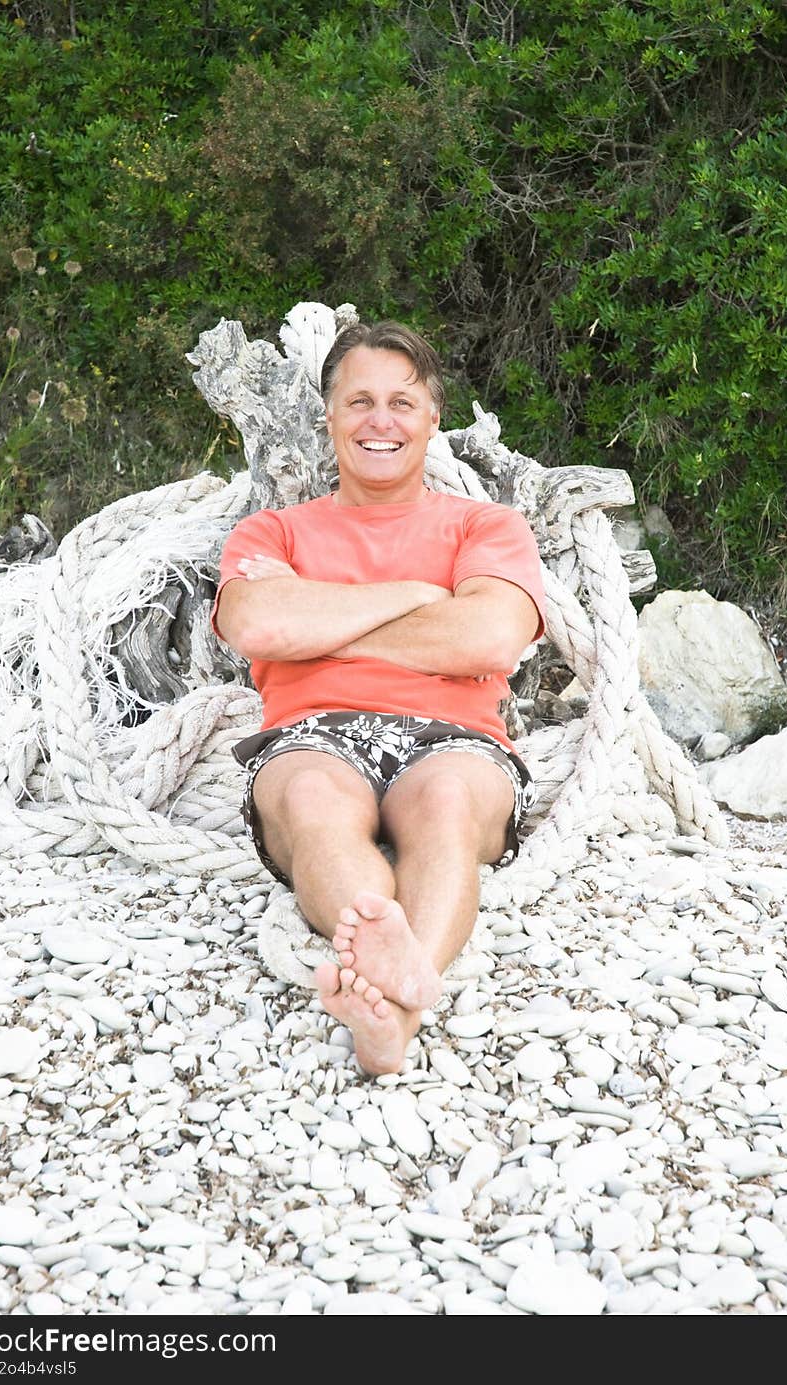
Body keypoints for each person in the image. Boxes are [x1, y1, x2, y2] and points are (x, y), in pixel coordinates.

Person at [212, 321, 548, 1074]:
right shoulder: (274, 530)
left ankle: (396, 1000)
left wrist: (319, 624)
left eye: (402, 401)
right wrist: (415, 597)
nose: (380, 421)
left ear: (433, 418)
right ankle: (393, 974)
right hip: (313, 732)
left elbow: (491, 639)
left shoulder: (484, 524)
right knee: (310, 796)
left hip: (454, 735)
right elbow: (256, 621)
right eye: (359, 400)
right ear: (328, 417)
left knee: (447, 806)